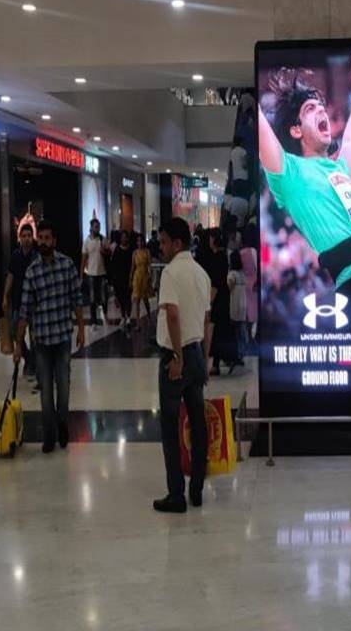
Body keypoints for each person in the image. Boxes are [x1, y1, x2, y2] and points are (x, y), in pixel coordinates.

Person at [258, 55, 351, 305]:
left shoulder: (340, 168)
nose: (321, 110)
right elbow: (262, 133)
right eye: (310, 109)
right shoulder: (289, 172)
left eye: (321, 107)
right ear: (296, 130)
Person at [153, 218, 212, 514]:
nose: (160, 247)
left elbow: (173, 316)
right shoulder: (201, 274)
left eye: (163, 241)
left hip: (175, 357)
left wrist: (176, 357)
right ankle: (197, 489)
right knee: (198, 425)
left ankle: (176, 494)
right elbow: (206, 321)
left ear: (177, 243)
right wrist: (205, 358)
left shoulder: (171, 273)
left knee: (170, 425)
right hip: (198, 354)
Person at [14, 220, 85, 454]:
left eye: (47, 238)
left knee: (63, 390)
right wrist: (18, 344)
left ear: (54, 240)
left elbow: (77, 299)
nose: (43, 242)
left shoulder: (67, 265)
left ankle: (63, 423)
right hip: (42, 341)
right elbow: (24, 310)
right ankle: (49, 434)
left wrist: (82, 329)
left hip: (63, 338)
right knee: (45, 391)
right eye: (40, 238)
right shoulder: (32, 272)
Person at [2, 223, 36, 377]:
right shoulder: (15, 256)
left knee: (36, 337)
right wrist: (5, 296)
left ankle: (35, 367)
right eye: (24, 236)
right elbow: (10, 276)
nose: (27, 239)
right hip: (18, 302)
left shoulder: (37, 256)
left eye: (29, 236)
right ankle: (29, 359)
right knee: (17, 335)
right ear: (20, 238)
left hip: (35, 304)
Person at [205, 229, 238, 375]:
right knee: (222, 328)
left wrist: (210, 302)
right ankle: (226, 358)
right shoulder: (223, 256)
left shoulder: (216, 258)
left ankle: (218, 363)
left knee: (217, 330)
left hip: (218, 297)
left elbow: (215, 282)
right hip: (223, 295)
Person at [82, 219, 108, 325]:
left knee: (103, 297)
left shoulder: (102, 239)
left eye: (99, 226)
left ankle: (105, 316)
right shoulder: (87, 241)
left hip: (102, 272)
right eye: (96, 226)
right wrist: (81, 275)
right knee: (92, 298)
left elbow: (108, 254)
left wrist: (104, 251)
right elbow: (83, 258)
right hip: (91, 273)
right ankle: (93, 320)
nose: (98, 229)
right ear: (91, 227)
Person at [110, 231, 134, 329]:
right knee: (121, 298)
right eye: (122, 237)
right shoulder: (117, 250)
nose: (124, 239)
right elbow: (114, 265)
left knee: (128, 298)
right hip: (119, 278)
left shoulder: (131, 250)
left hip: (128, 276)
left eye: (126, 237)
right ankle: (122, 316)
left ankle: (128, 316)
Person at [240, 224, 259, 345]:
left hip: (243, 283)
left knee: (246, 312)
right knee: (253, 312)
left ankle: (246, 337)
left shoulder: (241, 252)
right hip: (253, 283)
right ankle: (252, 338)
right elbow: (257, 268)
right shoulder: (254, 251)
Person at [228, 250, 248, 360]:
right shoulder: (243, 274)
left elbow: (229, 288)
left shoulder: (232, 274)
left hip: (235, 303)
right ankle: (244, 348)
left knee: (236, 329)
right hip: (243, 303)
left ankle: (239, 350)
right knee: (242, 327)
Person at [131, 233, 153, 328]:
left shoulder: (147, 252)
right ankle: (138, 322)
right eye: (138, 241)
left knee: (145, 299)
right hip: (137, 275)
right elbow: (133, 266)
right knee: (137, 299)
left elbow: (149, 264)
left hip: (144, 276)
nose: (140, 243)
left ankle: (149, 317)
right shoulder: (135, 253)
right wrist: (130, 277)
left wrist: (150, 276)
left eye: (141, 241)